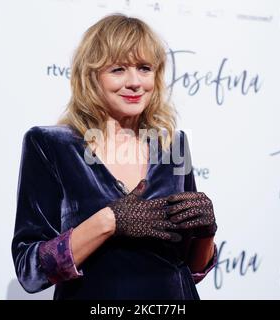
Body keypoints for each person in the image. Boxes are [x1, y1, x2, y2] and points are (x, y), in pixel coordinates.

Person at [11, 13, 218, 300]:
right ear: (91, 76)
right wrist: (109, 221)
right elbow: (30, 269)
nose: (135, 82)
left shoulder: (173, 145)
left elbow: (191, 268)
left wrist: (206, 234)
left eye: (144, 68)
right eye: (119, 69)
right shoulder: (50, 145)